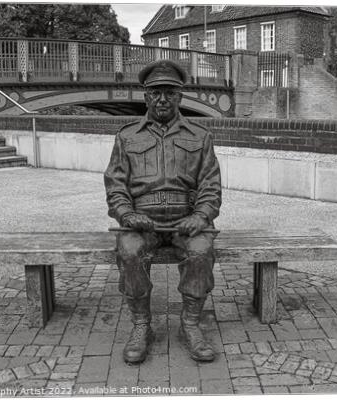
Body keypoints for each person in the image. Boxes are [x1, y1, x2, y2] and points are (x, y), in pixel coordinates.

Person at [104, 59, 222, 364]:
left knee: (200, 251)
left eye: (170, 92)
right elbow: (115, 185)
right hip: (143, 222)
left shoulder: (200, 136)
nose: (162, 99)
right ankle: (142, 325)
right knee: (129, 251)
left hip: (187, 221)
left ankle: (190, 325)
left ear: (180, 97)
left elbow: (211, 186)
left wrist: (201, 216)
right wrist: (126, 215)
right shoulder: (127, 137)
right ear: (145, 96)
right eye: (156, 92)